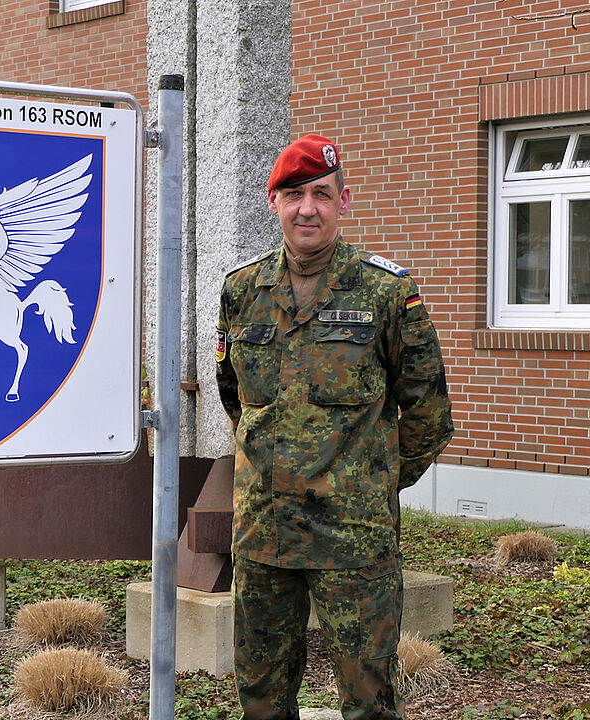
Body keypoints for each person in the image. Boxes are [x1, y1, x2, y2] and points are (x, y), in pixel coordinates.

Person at [215, 134, 454, 720]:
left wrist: (373, 484)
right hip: (264, 535)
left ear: (344, 201)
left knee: (368, 703)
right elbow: (236, 398)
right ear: (273, 203)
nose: (307, 208)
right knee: (261, 700)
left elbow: (428, 412)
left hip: (354, 539)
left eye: (322, 194)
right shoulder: (241, 291)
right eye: (294, 194)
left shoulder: (387, 293)